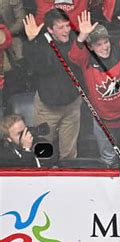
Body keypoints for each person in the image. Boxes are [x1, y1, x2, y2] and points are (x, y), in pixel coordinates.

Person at [69, 7, 120, 167]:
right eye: (99, 44)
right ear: (91, 47)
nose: (105, 47)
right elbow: (74, 56)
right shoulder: (86, 59)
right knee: (109, 160)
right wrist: (82, 37)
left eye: (106, 42)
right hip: (103, 122)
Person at [23, 9, 82, 162]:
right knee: (44, 152)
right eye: (61, 27)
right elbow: (32, 67)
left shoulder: (76, 40)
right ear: (50, 29)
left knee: (69, 154)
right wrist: (30, 41)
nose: (66, 30)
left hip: (72, 106)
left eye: (67, 26)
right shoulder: (40, 43)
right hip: (47, 108)